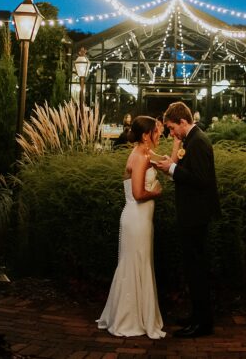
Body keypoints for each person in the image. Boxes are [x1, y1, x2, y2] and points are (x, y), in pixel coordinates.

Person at [153, 101, 220, 338]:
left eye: (172, 128)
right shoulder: (190, 140)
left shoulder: (199, 142)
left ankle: (203, 324)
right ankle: (197, 317)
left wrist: (170, 170)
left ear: (183, 122)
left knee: (197, 270)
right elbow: (187, 172)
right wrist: (172, 165)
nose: (171, 133)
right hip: (191, 214)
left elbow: (200, 180)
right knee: (193, 270)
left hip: (196, 215)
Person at [96, 115, 166, 339]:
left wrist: (176, 142)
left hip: (139, 219)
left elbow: (167, 161)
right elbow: (138, 194)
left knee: (136, 264)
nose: (159, 135)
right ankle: (130, 319)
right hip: (137, 218)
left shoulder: (143, 152)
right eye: (156, 132)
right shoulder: (141, 157)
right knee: (135, 264)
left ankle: (131, 315)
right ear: (146, 135)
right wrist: (155, 192)